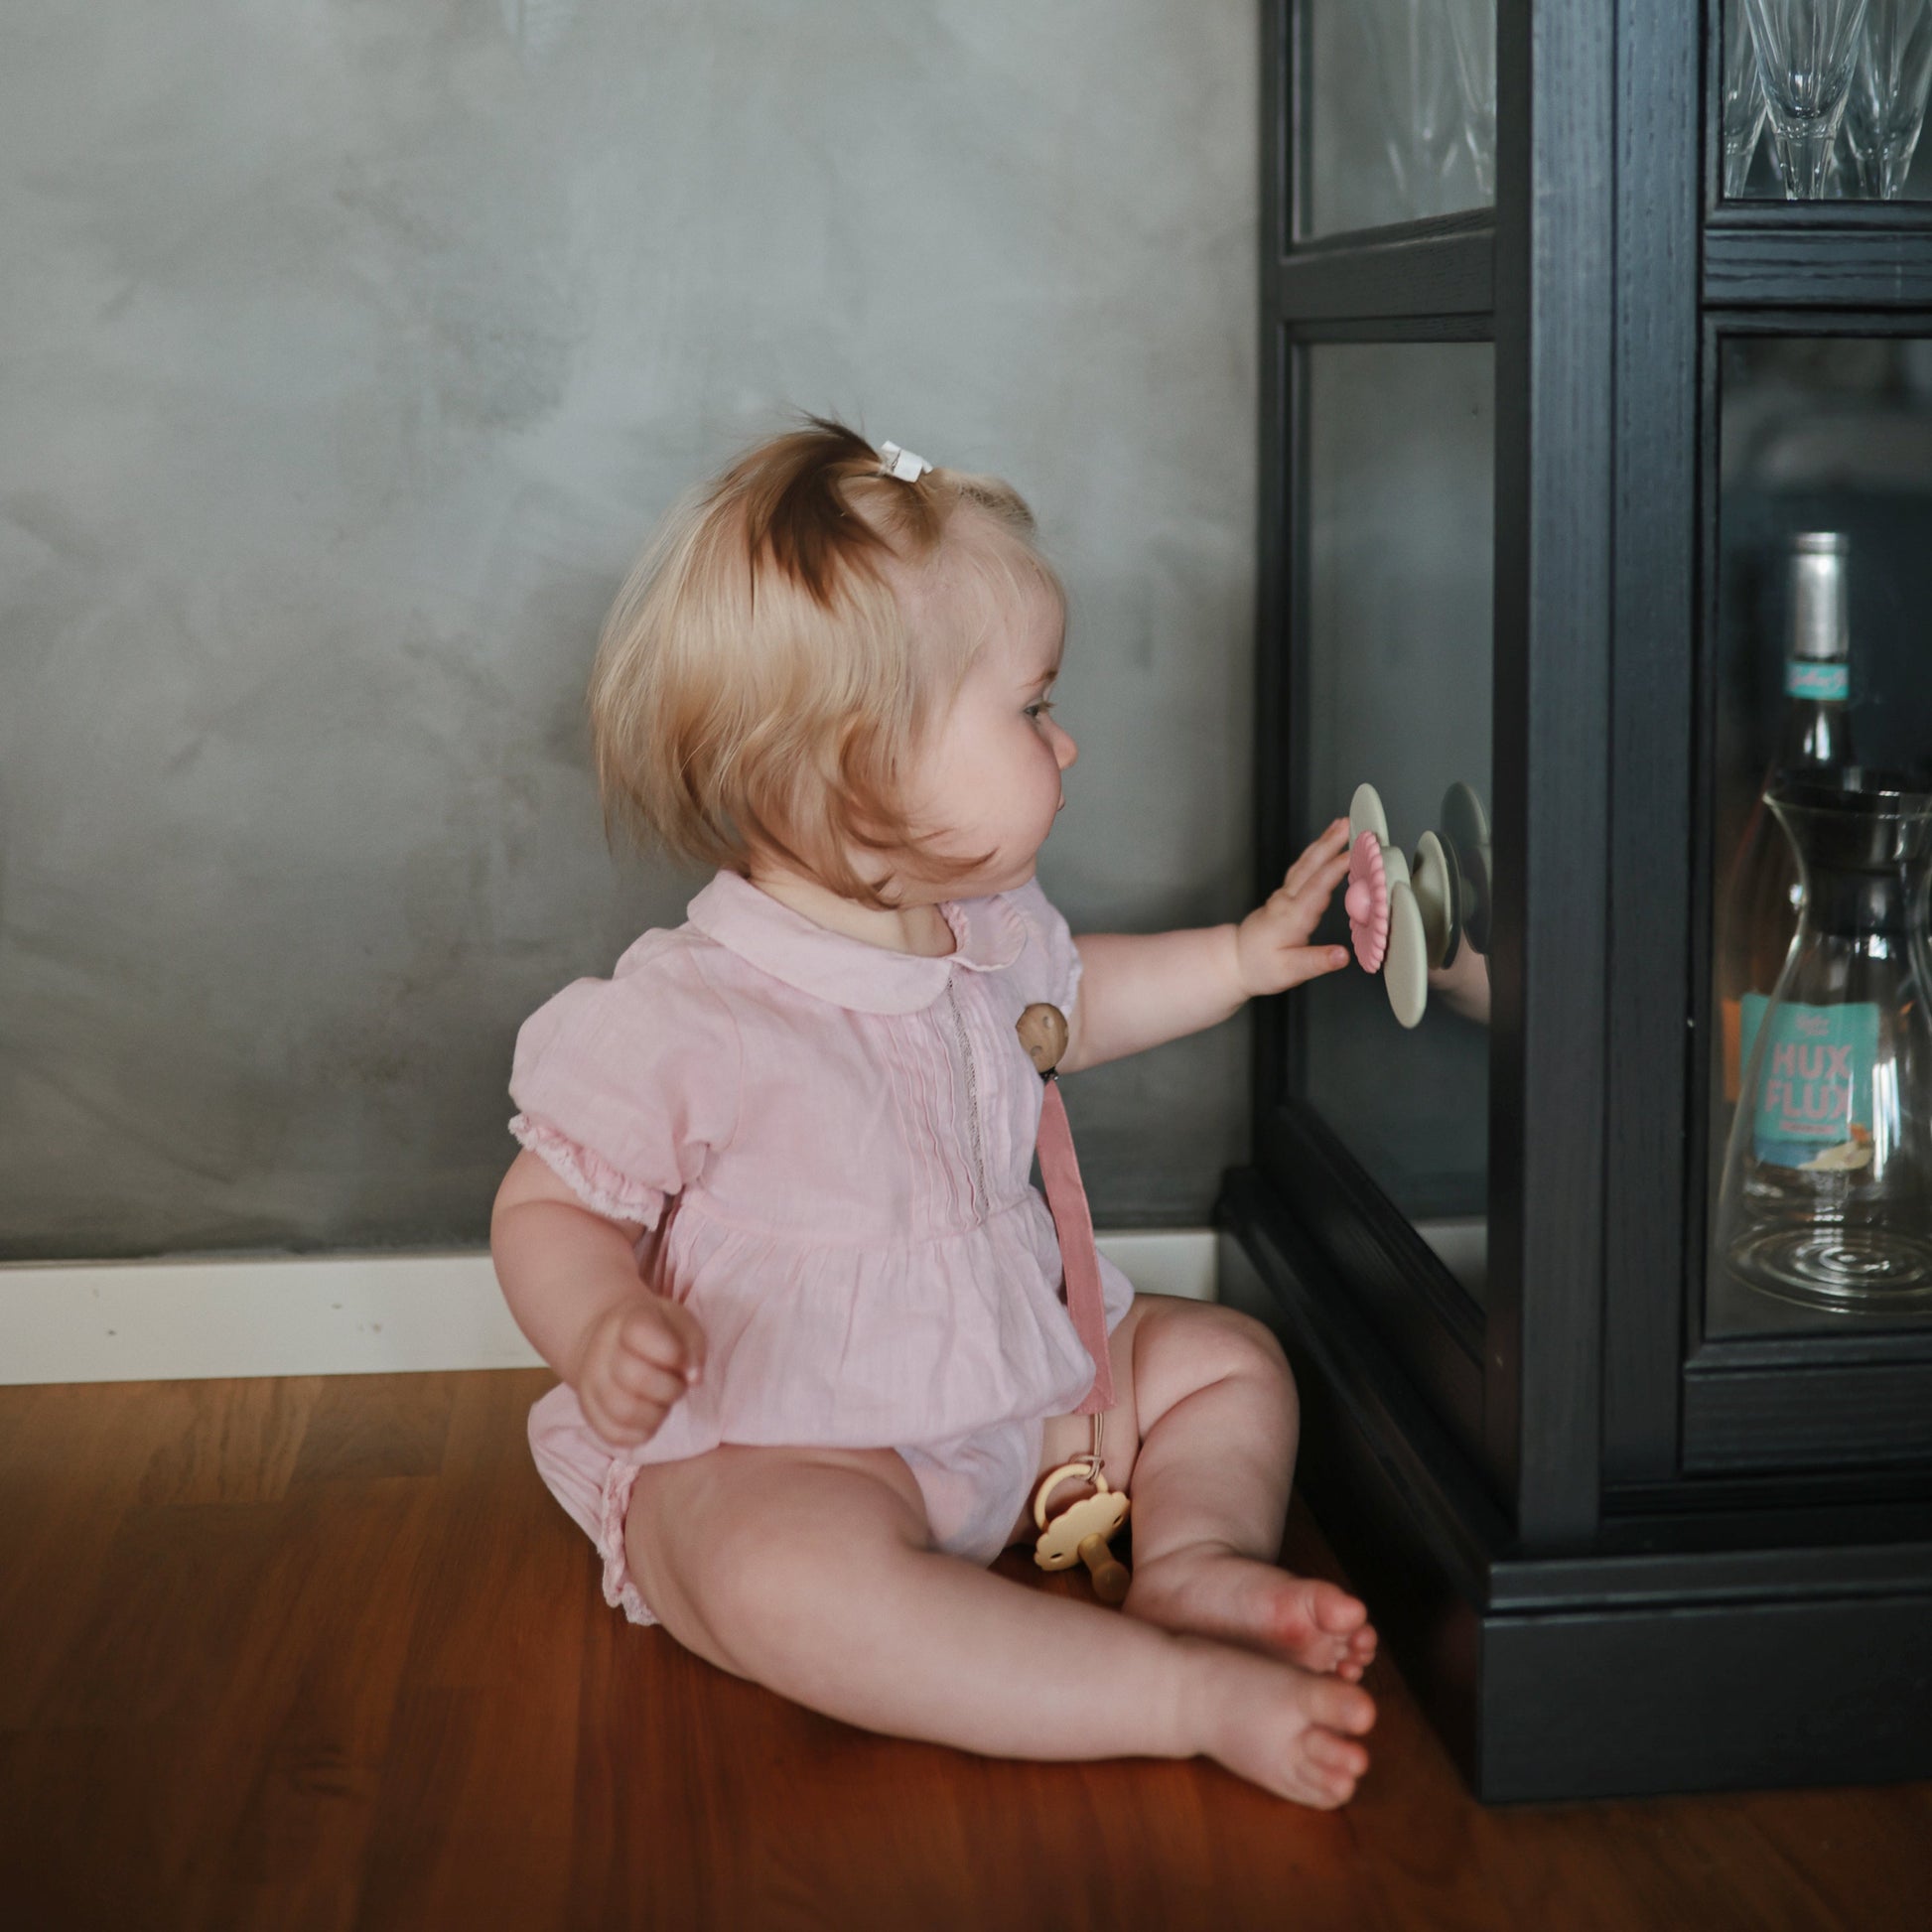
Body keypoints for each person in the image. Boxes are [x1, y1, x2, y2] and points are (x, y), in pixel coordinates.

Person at [489, 419, 1378, 1807]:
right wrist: (597, 1322)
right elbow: (549, 1204)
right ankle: (1172, 1694)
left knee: (1223, 1361)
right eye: (1031, 709)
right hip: (793, 1441)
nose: (1067, 739)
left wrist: (1238, 957)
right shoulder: (692, 1010)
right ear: (866, 766)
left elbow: (1076, 1008)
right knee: (777, 1575)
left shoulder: (986, 929)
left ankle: (1193, 1565)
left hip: (1014, 1393)